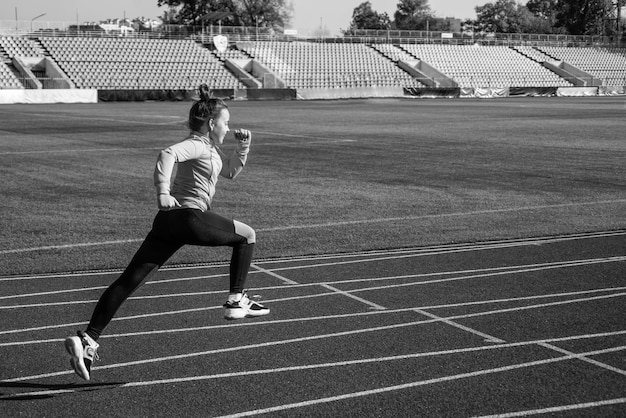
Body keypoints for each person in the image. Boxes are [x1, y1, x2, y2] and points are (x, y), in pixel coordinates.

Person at [65, 85, 269, 381]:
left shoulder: (210, 149)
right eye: (225, 122)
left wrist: (243, 147)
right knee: (247, 235)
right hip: (189, 218)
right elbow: (167, 154)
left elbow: (230, 171)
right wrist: (163, 190)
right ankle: (236, 298)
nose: (228, 127)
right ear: (211, 124)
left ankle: (89, 339)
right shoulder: (198, 144)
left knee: (128, 281)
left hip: (167, 223)